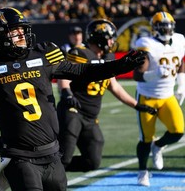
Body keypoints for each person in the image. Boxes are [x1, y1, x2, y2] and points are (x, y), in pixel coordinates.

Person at [0, 7, 145, 191]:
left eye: (23, 30)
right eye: (16, 32)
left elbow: (84, 71)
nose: (23, 35)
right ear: (0, 37)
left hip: (53, 155)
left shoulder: (43, 56)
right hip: (20, 158)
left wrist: (122, 65)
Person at [56, 19, 156, 172]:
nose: (112, 42)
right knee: (64, 156)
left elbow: (114, 86)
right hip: (73, 111)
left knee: (92, 161)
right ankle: (50, 176)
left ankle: (51, 169)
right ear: (99, 38)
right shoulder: (79, 53)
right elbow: (64, 77)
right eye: (109, 38)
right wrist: (66, 93)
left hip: (90, 117)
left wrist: (137, 105)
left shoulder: (108, 58)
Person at [132, 11, 185, 187]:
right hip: (147, 96)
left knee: (177, 131)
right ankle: (142, 172)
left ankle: (159, 146)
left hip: (167, 95)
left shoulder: (179, 40)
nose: (167, 30)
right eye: (163, 27)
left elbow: (181, 62)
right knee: (145, 138)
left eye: (169, 27)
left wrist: (182, 85)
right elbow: (137, 75)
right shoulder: (146, 44)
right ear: (155, 28)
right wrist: (154, 74)